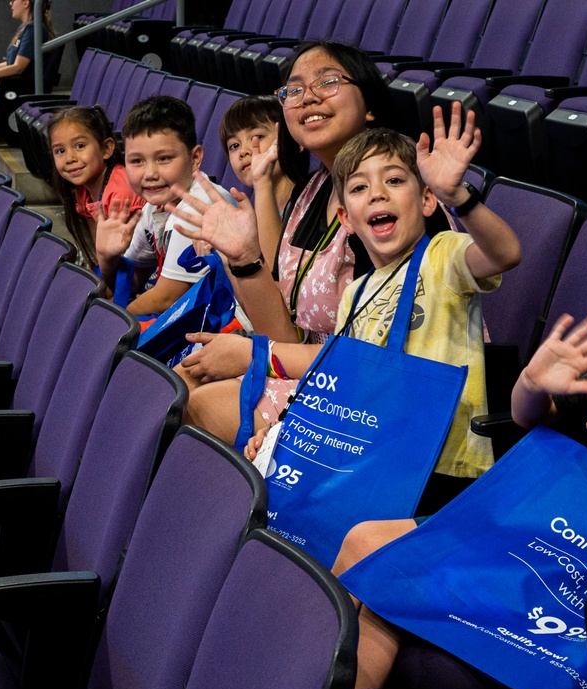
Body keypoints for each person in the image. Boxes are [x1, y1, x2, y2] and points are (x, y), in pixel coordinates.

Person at [331, 217, 587, 689]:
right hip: (537, 537)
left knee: (384, 566)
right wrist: (531, 383)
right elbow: (531, 418)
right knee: (365, 543)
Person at [170, 41, 436, 442]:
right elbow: (286, 328)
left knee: (202, 407)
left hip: (377, 395)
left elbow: (376, 361)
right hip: (318, 367)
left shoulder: (386, 200)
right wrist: (243, 259)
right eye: (294, 89)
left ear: (369, 105)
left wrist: (256, 356)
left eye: (328, 81)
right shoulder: (313, 189)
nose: (308, 96)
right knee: (177, 383)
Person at [93, 95, 236, 316]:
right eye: (137, 161)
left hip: (236, 329)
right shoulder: (154, 205)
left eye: (164, 158)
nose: (150, 174)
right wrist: (106, 258)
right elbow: (130, 281)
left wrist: (111, 327)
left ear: (195, 158)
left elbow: (166, 298)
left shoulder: (199, 208)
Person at [47, 104, 145, 267]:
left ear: (106, 148)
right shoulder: (83, 190)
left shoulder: (121, 191)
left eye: (80, 146)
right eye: (60, 151)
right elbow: (101, 254)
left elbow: (127, 261)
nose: (69, 158)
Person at [218, 95, 295, 262]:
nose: (243, 151)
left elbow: (282, 279)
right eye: (234, 145)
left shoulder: (308, 208)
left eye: (258, 136)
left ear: (291, 137)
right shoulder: (253, 219)